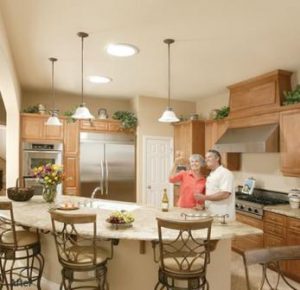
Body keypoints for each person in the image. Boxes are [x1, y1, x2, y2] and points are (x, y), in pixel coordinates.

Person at [194, 149, 235, 220]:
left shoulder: (225, 173)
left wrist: (204, 197)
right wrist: (204, 205)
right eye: (206, 158)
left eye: (209, 157)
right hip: (212, 214)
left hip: (223, 216)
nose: (206, 159)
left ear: (217, 158)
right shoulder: (212, 173)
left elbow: (225, 194)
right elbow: (213, 192)